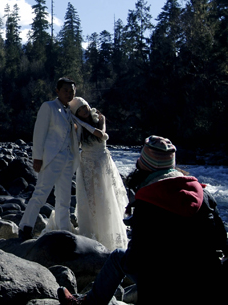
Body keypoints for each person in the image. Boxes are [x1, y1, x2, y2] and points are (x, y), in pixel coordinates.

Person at [58, 135, 227, 305]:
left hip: (164, 285)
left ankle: (87, 304)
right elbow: (221, 241)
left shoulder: (148, 202)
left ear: (145, 168)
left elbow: (135, 259)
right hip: (207, 283)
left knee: (118, 257)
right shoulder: (204, 195)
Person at [19, 77, 80, 240]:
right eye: (66, 90)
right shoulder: (49, 107)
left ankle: (63, 228)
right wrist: (37, 158)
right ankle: (26, 226)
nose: (69, 93)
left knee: (65, 197)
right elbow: (39, 133)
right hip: (51, 158)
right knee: (40, 194)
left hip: (68, 159)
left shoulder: (72, 111)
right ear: (57, 91)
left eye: (72, 91)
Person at [69, 97, 128, 251]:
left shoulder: (99, 119)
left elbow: (101, 135)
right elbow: (75, 144)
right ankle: (92, 234)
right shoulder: (77, 126)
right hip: (87, 163)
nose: (83, 111)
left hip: (102, 161)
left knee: (107, 196)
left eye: (84, 107)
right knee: (91, 199)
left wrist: (80, 121)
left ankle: (108, 235)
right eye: (79, 110)